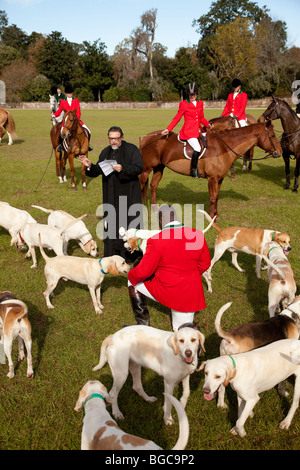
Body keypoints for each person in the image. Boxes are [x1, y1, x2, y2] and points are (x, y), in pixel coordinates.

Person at [127, 205, 211, 330]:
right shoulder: (197, 235)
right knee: (183, 330)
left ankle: (143, 323)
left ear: (160, 220)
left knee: (182, 335)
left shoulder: (156, 240)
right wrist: (187, 275)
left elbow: (144, 271)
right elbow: (205, 263)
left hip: (168, 288)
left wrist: (130, 274)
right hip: (191, 290)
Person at [78, 126, 144, 262]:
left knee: (128, 222)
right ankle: (112, 254)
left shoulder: (132, 150)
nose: (113, 141)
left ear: (122, 137)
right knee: (112, 223)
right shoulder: (105, 152)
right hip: (111, 195)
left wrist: (123, 169)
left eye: (116, 138)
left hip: (129, 195)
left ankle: (131, 255)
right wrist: (90, 165)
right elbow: (98, 170)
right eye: (111, 138)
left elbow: (139, 168)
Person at [161, 82, 213, 178]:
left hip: (198, 130)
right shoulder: (184, 104)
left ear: (197, 94)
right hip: (188, 132)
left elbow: (201, 117)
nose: (192, 96)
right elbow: (177, 118)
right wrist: (168, 129)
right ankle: (193, 170)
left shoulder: (200, 103)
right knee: (197, 148)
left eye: (193, 94)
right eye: (190, 94)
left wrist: (208, 124)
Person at [52, 83, 92, 152]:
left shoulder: (76, 100)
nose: (70, 94)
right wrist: (54, 115)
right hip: (66, 122)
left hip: (76, 120)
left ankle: (87, 145)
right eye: (68, 93)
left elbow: (78, 111)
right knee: (61, 133)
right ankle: (60, 146)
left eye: (71, 93)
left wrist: (77, 119)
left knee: (88, 131)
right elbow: (59, 111)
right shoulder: (62, 102)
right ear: (66, 93)